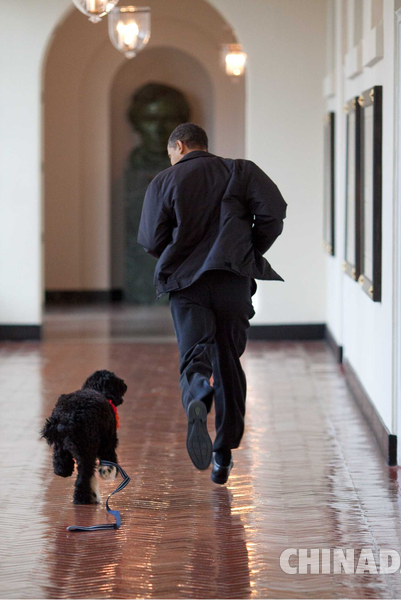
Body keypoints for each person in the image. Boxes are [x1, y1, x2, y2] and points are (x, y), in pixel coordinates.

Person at [137, 123, 286, 484]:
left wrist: (177, 252)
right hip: (232, 280)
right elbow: (273, 213)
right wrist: (246, 250)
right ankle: (223, 453)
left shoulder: (164, 181)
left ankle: (198, 393)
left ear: (181, 146)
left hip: (188, 284)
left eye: (170, 153)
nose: (170, 159)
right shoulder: (240, 170)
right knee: (228, 361)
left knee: (195, 354)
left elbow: (150, 238)